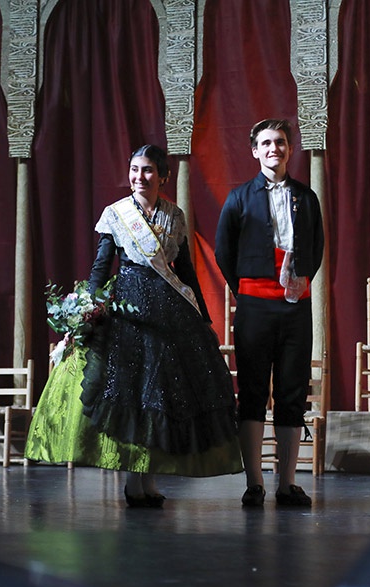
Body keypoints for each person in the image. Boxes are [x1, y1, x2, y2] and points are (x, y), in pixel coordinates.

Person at [27, 145, 243, 508]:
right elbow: (101, 267)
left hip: (169, 312)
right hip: (128, 311)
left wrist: (203, 317)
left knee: (160, 397)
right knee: (132, 395)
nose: (139, 177)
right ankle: (133, 480)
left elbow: (185, 270)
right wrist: (85, 309)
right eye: (134, 169)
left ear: (163, 176)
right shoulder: (116, 214)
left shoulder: (175, 215)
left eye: (147, 170)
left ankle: (149, 479)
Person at [215, 119, 325, 507]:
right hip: (254, 307)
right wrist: (249, 293)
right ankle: (254, 483)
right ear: (254, 151)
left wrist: (297, 284)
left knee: (293, 392)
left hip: (295, 307)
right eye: (266, 143)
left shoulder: (306, 197)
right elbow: (223, 252)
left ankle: (287, 483)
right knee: (252, 393)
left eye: (280, 142)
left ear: (290, 149)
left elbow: (317, 247)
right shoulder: (239, 198)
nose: (273, 148)